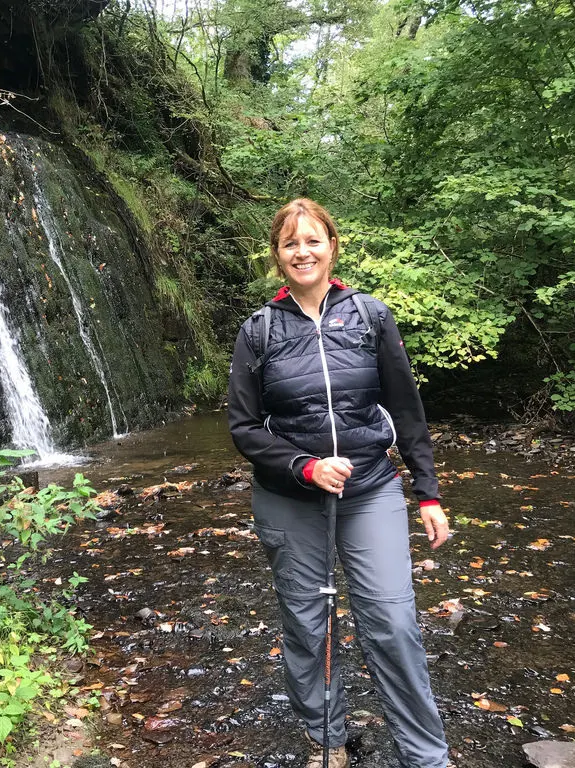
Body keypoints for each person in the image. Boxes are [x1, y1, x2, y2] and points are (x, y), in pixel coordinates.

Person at [227, 198, 451, 768]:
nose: (302, 252)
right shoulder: (259, 331)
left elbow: (406, 408)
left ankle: (427, 757)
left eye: (312, 240)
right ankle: (327, 741)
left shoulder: (370, 316)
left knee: (392, 619)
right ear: (278, 256)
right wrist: (304, 465)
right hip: (289, 497)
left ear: (332, 246)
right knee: (306, 622)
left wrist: (427, 492)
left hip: (370, 488)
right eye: (289, 243)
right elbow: (245, 428)